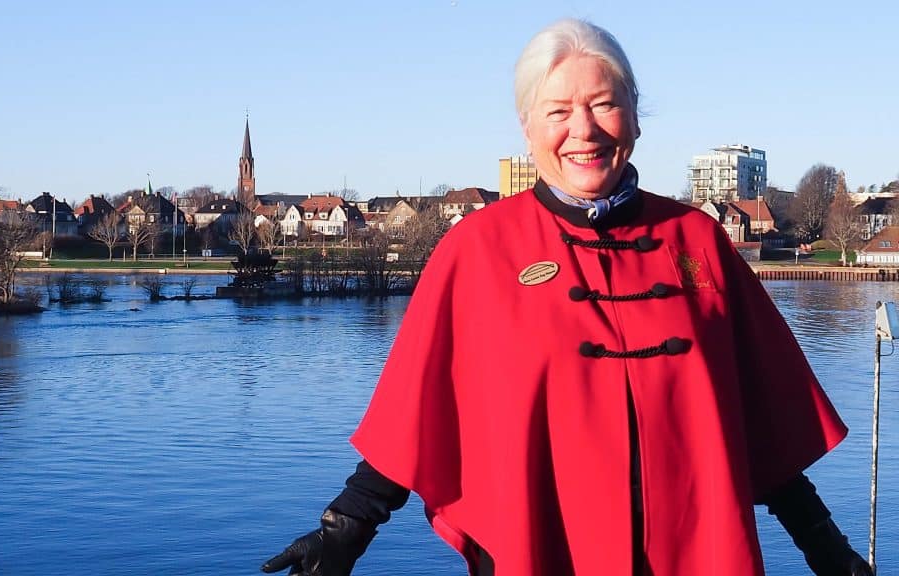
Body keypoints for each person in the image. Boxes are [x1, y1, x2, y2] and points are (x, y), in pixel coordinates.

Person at [261, 18, 873, 576]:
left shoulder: (699, 242)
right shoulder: (478, 249)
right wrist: (343, 531)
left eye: (604, 104)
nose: (583, 130)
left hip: (696, 555)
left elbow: (764, 423)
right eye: (557, 111)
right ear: (527, 127)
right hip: (541, 555)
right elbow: (416, 414)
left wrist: (829, 551)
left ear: (635, 117)